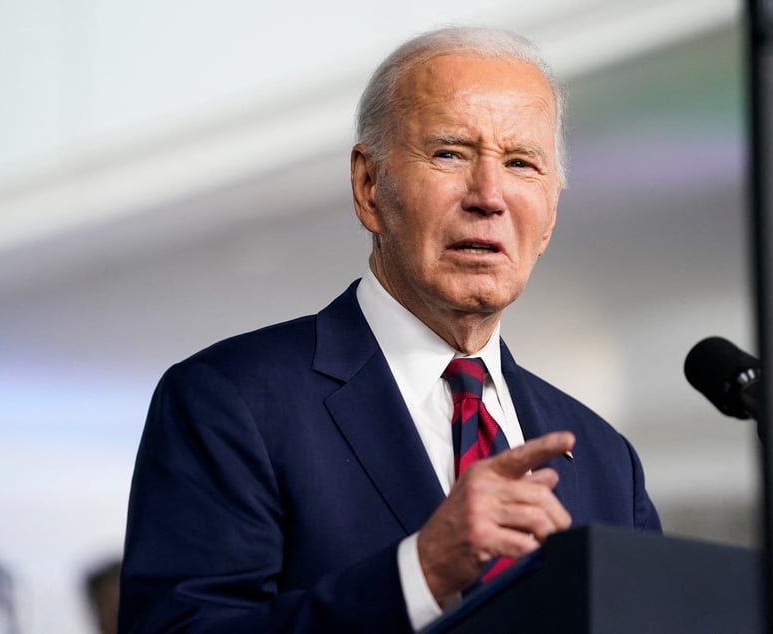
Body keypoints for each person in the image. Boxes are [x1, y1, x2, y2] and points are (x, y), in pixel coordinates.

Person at [118, 26, 661, 634]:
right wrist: (420, 572)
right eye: (450, 153)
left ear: (551, 217)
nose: (489, 196)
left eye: (520, 163)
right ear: (369, 186)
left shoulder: (608, 459)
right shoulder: (228, 401)